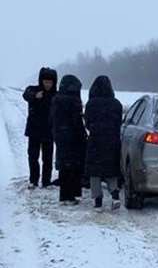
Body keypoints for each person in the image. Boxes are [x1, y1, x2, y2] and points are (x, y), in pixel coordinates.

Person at [84, 76, 122, 211]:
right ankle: (115, 195)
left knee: (95, 172)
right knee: (111, 170)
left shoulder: (91, 104)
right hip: (112, 141)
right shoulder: (116, 104)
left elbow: (87, 123)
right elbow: (119, 123)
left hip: (95, 141)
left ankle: (98, 202)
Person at [50, 75, 86, 205]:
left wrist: (55, 132)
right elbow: (77, 121)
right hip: (73, 137)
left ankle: (63, 196)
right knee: (74, 166)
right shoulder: (74, 100)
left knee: (64, 167)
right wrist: (82, 135)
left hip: (60, 136)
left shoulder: (55, 99)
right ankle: (73, 196)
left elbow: (51, 119)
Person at [22, 67, 58, 189]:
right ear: (41, 81)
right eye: (45, 81)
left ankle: (46, 182)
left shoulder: (55, 95)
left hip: (48, 131)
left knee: (47, 159)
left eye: (50, 82)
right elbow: (25, 94)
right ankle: (33, 180)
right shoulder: (34, 90)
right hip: (34, 130)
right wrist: (34, 96)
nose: (48, 84)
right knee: (33, 156)